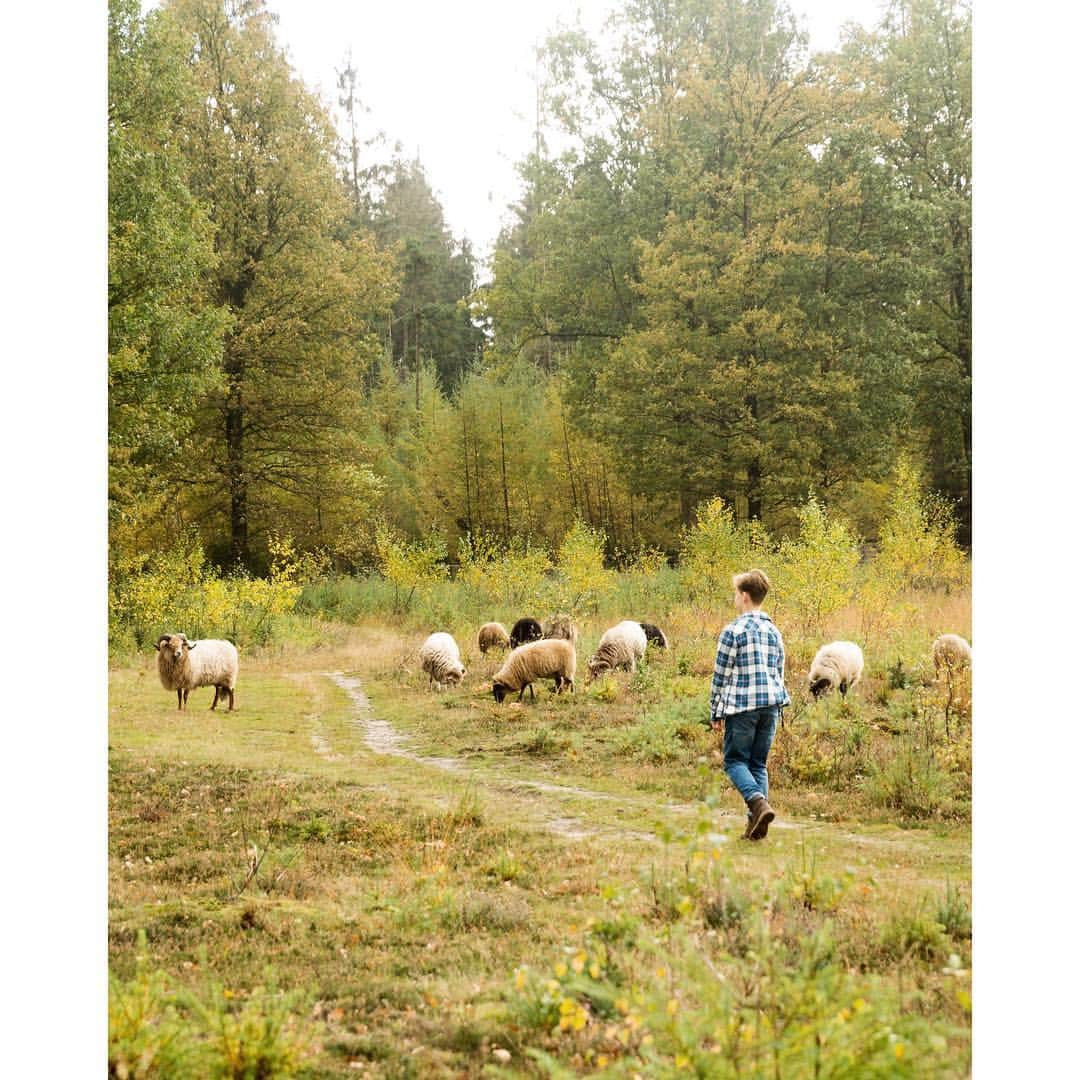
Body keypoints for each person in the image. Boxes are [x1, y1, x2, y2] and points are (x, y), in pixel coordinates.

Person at [708, 569, 790, 840]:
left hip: (743, 707)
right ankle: (755, 828)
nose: (735, 598)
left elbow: (721, 674)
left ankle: (757, 803)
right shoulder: (773, 631)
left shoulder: (733, 630)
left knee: (734, 762)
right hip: (771, 706)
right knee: (758, 764)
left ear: (744, 596)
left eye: (736, 594)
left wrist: (715, 711)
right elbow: (779, 670)